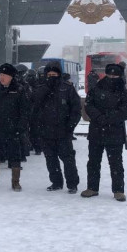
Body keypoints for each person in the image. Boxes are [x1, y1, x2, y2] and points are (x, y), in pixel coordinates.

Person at [82, 63, 127, 200]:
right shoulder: (96, 88)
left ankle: (118, 190)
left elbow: (126, 111)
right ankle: (92, 188)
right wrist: (99, 117)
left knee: (116, 163)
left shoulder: (124, 91)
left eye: (115, 75)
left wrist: (109, 118)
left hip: (115, 132)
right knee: (93, 162)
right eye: (109, 74)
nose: (112, 77)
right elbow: (88, 105)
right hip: (96, 131)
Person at [33, 61, 82, 194]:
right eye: (49, 74)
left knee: (68, 159)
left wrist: (70, 126)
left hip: (63, 131)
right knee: (51, 159)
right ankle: (56, 182)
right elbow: (34, 106)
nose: (51, 76)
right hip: (46, 131)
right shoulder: (41, 88)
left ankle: (72, 184)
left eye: (54, 74)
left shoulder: (67, 88)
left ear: (59, 74)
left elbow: (76, 109)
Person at [0, 63, 29, 192]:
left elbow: (25, 111)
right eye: (1, 75)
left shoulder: (19, 90)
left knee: (15, 155)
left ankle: (15, 182)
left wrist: (21, 126)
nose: (2, 78)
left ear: (11, 77)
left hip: (13, 129)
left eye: (5, 76)